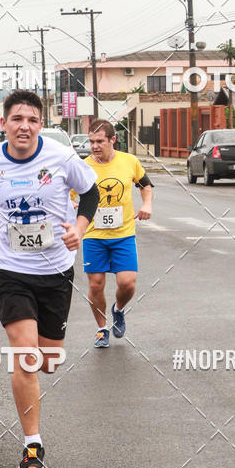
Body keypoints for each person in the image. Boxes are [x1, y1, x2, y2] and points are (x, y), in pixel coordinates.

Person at [0, 90, 99, 468]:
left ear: (41, 124)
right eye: (17, 119)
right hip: (10, 270)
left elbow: (90, 193)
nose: (24, 126)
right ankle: (32, 444)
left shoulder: (62, 157)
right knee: (25, 355)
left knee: (48, 361)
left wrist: (79, 228)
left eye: (31, 120)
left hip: (56, 271)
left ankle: (42, 370)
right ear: (4, 124)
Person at [77, 118, 153, 348]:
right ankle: (102, 329)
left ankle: (118, 310)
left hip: (123, 233)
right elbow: (67, 193)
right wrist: (70, 204)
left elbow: (145, 185)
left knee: (127, 283)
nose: (94, 146)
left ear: (112, 140)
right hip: (94, 234)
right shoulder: (83, 167)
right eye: (91, 141)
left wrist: (147, 204)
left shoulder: (129, 161)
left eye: (99, 141)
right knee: (96, 285)